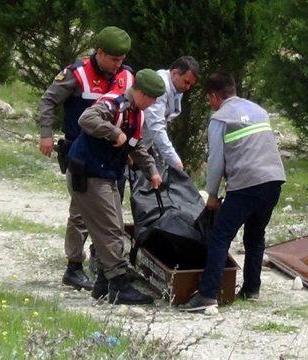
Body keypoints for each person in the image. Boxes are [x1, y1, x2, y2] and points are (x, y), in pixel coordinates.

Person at [179, 72, 286, 312]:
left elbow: (216, 161)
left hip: (246, 184)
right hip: (274, 179)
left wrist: (213, 195)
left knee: (220, 237)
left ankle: (207, 296)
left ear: (214, 96)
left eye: (210, 99)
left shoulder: (220, 118)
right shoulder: (259, 110)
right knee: (255, 236)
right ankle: (251, 289)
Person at [37, 26, 134, 291]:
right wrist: (46, 134)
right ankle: (73, 266)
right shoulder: (77, 74)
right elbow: (48, 102)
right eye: (114, 59)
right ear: (100, 53)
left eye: (122, 59)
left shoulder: (126, 75)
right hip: (80, 154)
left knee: (112, 212)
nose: (119, 64)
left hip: (113, 157)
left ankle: (103, 262)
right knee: (80, 211)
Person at [67, 69, 166, 305]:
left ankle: (103, 281)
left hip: (106, 174)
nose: (152, 104)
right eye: (150, 98)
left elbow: (135, 145)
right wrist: (114, 133)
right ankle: (119, 285)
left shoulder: (136, 114)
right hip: (88, 173)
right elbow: (86, 119)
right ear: (139, 92)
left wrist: (151, 169)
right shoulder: (114, 104)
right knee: (110, 230)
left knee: (114, 226)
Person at [142, 56, 200, 170]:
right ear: (174, 73)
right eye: (186, 82)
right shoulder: (160, 86)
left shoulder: (176, 88)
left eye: (191, 85)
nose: (188, 87)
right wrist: (174, 160)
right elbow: (156, 125)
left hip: (143, 143)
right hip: (132, 141)